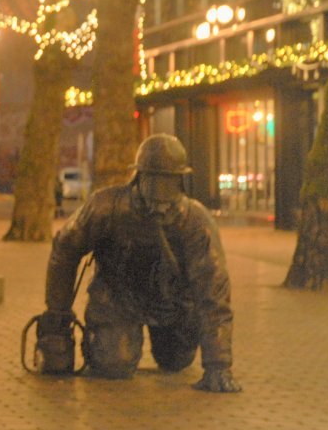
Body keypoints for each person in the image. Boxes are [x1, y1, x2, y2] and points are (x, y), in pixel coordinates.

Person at [35, 134, 241, 392]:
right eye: (154, 181)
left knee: (175, 360)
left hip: (173, 305)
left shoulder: (195, 222)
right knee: (113, 364)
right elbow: (65, 248)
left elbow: (214, 289)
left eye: (167, 181)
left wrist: (218, 364)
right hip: (117, 300)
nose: (160, 193)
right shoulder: (106, 206)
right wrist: (57, 315)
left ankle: (170, 342)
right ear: (138, 177)